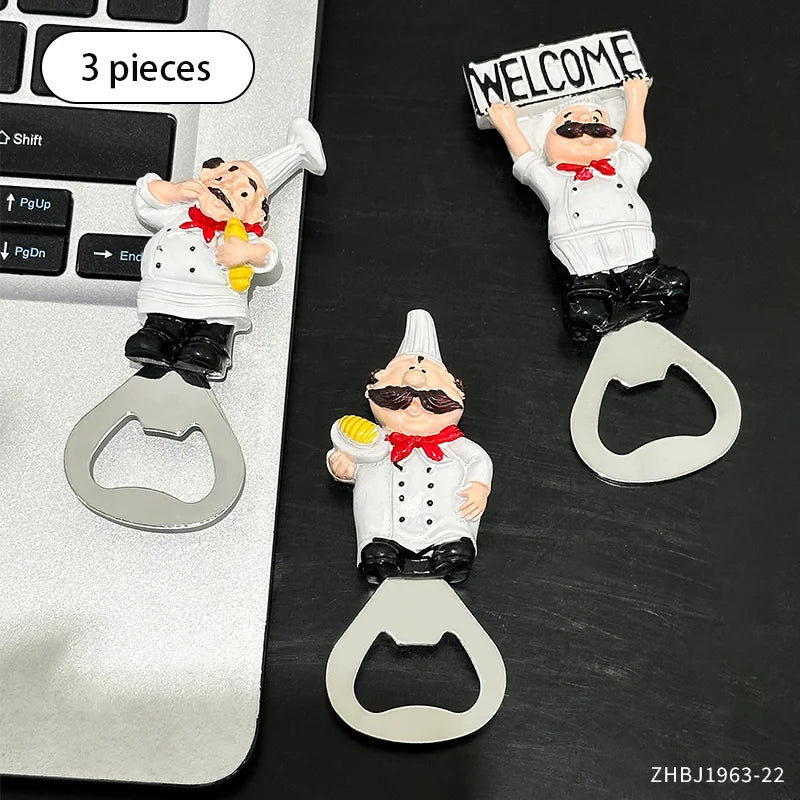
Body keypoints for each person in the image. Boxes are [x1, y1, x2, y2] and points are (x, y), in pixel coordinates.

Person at [488, 77, 689, 341]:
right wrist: (507, 124)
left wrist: (636, 98)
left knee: (675, 283)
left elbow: (634, 145)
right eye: (570, 125)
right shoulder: (555, 179)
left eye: (597, 124)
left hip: (635, 254)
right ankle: (600, 309)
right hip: (585, 262)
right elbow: (527, 160)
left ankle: (635, 306)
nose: (585, 132)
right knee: (584, 313)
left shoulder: (621, 168)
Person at [125, 118, 326, 377]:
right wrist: (174, 192)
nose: (226, 189)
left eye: (242, 194)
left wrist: (246, 252)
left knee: (212, 330)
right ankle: (157, 334)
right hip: (165, 291)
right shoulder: (181, 213)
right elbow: (144, 199)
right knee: (160, 323)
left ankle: (210, 344)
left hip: (215, 299)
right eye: (221, 179)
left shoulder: (239, 235)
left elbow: (268, 255)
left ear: (256, 214)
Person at [327, 310, 493, 584]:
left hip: (443, 519)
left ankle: (450, 547)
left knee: (455, 522)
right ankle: (380, 551)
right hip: (386, 522)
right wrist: (343, 466)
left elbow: (479, 459)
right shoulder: (376, 442)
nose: (415, 381)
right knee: (375, 509)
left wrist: (478, 486)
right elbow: (355, 458)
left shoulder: (453, 443)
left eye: (425, 374)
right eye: (407, 373)